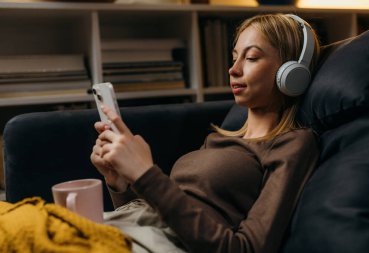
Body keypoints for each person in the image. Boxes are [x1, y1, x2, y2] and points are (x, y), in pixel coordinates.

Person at [91, 13, 321, 253]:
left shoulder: (292, 143)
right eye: (234, 57)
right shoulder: (219, 139)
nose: (233, 69)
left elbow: (247, 249)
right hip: (133, 231)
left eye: (251, 57)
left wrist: (145, 174)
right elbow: (155, 216)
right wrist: (119, 183)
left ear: (291, 72)